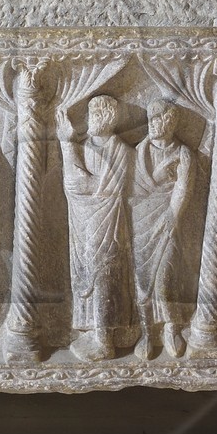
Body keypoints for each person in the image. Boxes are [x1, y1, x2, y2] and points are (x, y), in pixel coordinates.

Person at [57, 95, 136, 362]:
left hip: (108, 223)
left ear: (105, 118)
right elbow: (74, 186)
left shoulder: (121, 151)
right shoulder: (87, 146)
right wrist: (69, 146)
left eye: (92, 116)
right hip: (83, 223)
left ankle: (105, 340)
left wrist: (67, 146)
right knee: (91, 273)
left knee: (104, 273)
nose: (88, 122)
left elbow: (92, 188)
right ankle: (95, 332)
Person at [129, 99, 193, 359]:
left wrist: (173, 214)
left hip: (167, 221)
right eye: (151, 119)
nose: (153, 124)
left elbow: (184, 188)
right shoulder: (138, 151)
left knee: (165, 279)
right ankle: (146, 333)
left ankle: (171, 328)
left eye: (158, 119)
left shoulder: (182, 153)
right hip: (139, 221)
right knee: (141, 281)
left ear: (170, 122)